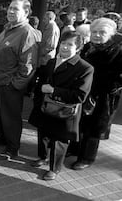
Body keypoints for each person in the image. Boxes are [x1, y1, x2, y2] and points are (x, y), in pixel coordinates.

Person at [29, 31, 94, 180]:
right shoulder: (52, 62)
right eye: (63, 44)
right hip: (45, 106)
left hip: (64, 110)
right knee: (43, 133)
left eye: (69, 45)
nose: (64, 47)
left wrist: (53, 90)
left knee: (60, 139)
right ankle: (43, 157)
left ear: (78, 48)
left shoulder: (84, 68)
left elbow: (80, 95)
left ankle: (55, 168)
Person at [0, 0, 39, 160]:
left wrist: (14, 85)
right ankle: (2, 137)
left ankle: (12, 148)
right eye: (9, 8)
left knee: (10, 118)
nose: (10, 11)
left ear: (26, 12)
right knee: (0, 115)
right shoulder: (8, 28)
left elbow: (28, 66)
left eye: (15, 9)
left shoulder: (26, 33)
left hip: (10, 85)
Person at [73, 18, 122, 170]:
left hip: (103, 96)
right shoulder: (88, 46)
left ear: (111, 34)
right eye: (94, 32)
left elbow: (119, 78)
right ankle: (75, 149)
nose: (97, 35)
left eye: (102, 32)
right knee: (80, 123)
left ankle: (87, 158)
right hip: (84, 92)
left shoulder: (117, 51)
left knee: (93, 128)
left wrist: (107, 88)